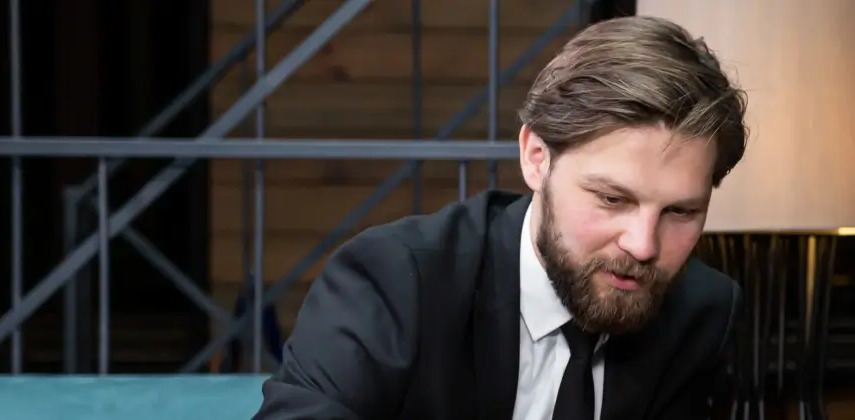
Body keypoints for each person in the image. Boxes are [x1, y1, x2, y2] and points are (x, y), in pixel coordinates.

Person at [254, 16, 746, 420]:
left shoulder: (700, 313)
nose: (643, 245)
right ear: (536, 158)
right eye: (612, 199)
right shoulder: (397, 282)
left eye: (680, 211)